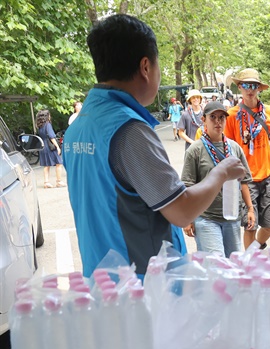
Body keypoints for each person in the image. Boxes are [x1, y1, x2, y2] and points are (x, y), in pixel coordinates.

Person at [63, 14, 245, 279]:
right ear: (145, 67)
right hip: (143, 288)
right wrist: (221, 173)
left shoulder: (80, 126)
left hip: (102, 282)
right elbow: (181, 211)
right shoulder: (129, 131)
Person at [181, 101, 254, 257]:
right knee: (216, 264)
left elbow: (244, 181)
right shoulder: (196, 150)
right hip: (206, 217)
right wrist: (188, 218)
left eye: (221, 117)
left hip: (232, 217)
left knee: (232, 265)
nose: (217, 121)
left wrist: (250, 208)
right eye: (212, 117)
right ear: (204, 120)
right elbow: (188, 186)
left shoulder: (234, 148)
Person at [224, 68, 270, 249]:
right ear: (239, 88)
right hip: (245, 179)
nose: (250, 89)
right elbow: (229, 150)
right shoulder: (232, 116)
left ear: (259, 88)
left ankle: (254, 249)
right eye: (245, 85)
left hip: (267, 177)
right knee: (250, 225)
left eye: (254, 85)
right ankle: (250, 265)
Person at [36, 109, 66, 188]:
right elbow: (51, 136)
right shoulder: (47, 124)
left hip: (43, 146)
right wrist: (57, 147)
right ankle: (59, 181)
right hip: (50, 147)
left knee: (46, 165)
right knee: (59, 163)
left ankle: (46, 182)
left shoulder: (40, 125)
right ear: (47, 116)